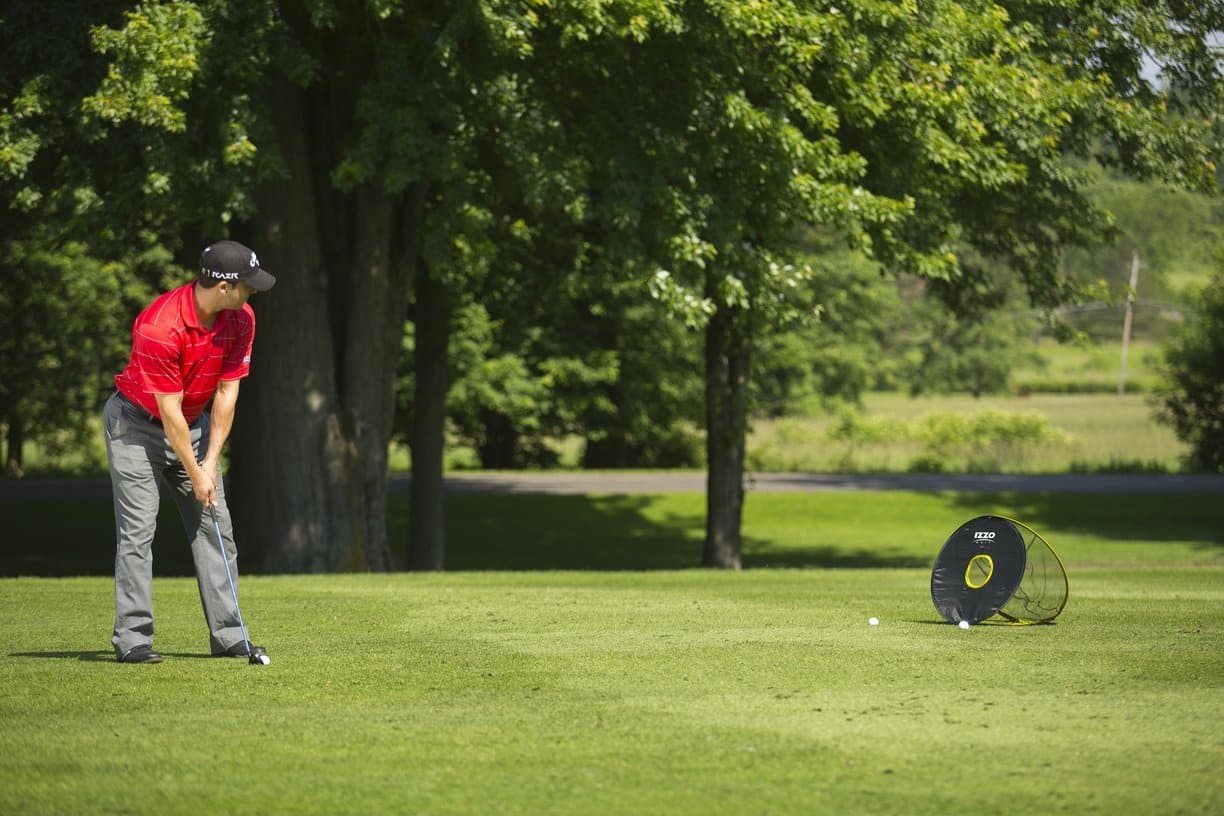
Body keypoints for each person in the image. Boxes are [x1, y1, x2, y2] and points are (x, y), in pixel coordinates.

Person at [104, 240, 276, 664]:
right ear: (222, 286)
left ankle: (230, 635)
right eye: (247, 286)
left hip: (195, 424)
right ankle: (133, 639)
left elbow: (227, 392)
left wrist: (211, 461)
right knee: (138, 532)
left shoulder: (241, 320)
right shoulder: (159, 326)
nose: (253, 293)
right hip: (135, 428)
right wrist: (194, 472)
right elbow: (168, 412)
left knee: (216, 525)